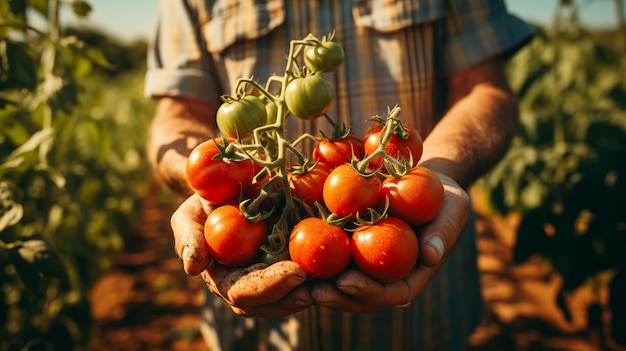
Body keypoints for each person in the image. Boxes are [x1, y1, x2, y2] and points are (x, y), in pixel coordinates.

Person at [144, 1, 534, 350]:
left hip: (422, 323)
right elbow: (178, 113)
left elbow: (483, 89)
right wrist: (209, 185)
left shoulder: (362, 165)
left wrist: (439, 172)